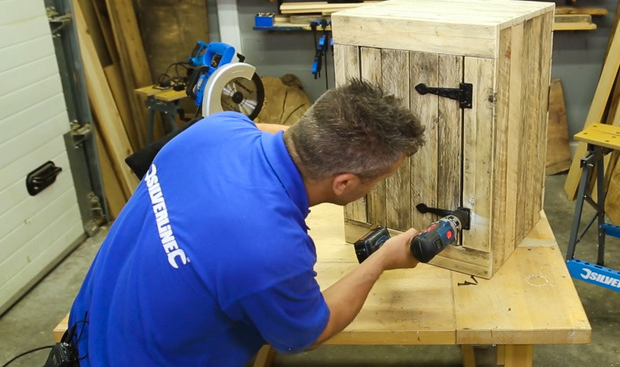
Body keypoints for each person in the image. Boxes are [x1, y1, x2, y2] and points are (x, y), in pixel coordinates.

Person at [66, 78, 427, 366]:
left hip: (86, 336)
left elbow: (266, 130)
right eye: (379, 179)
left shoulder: (218, 128)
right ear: (344, 183)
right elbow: (309, 334)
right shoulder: (270, 248)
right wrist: (380, 261)